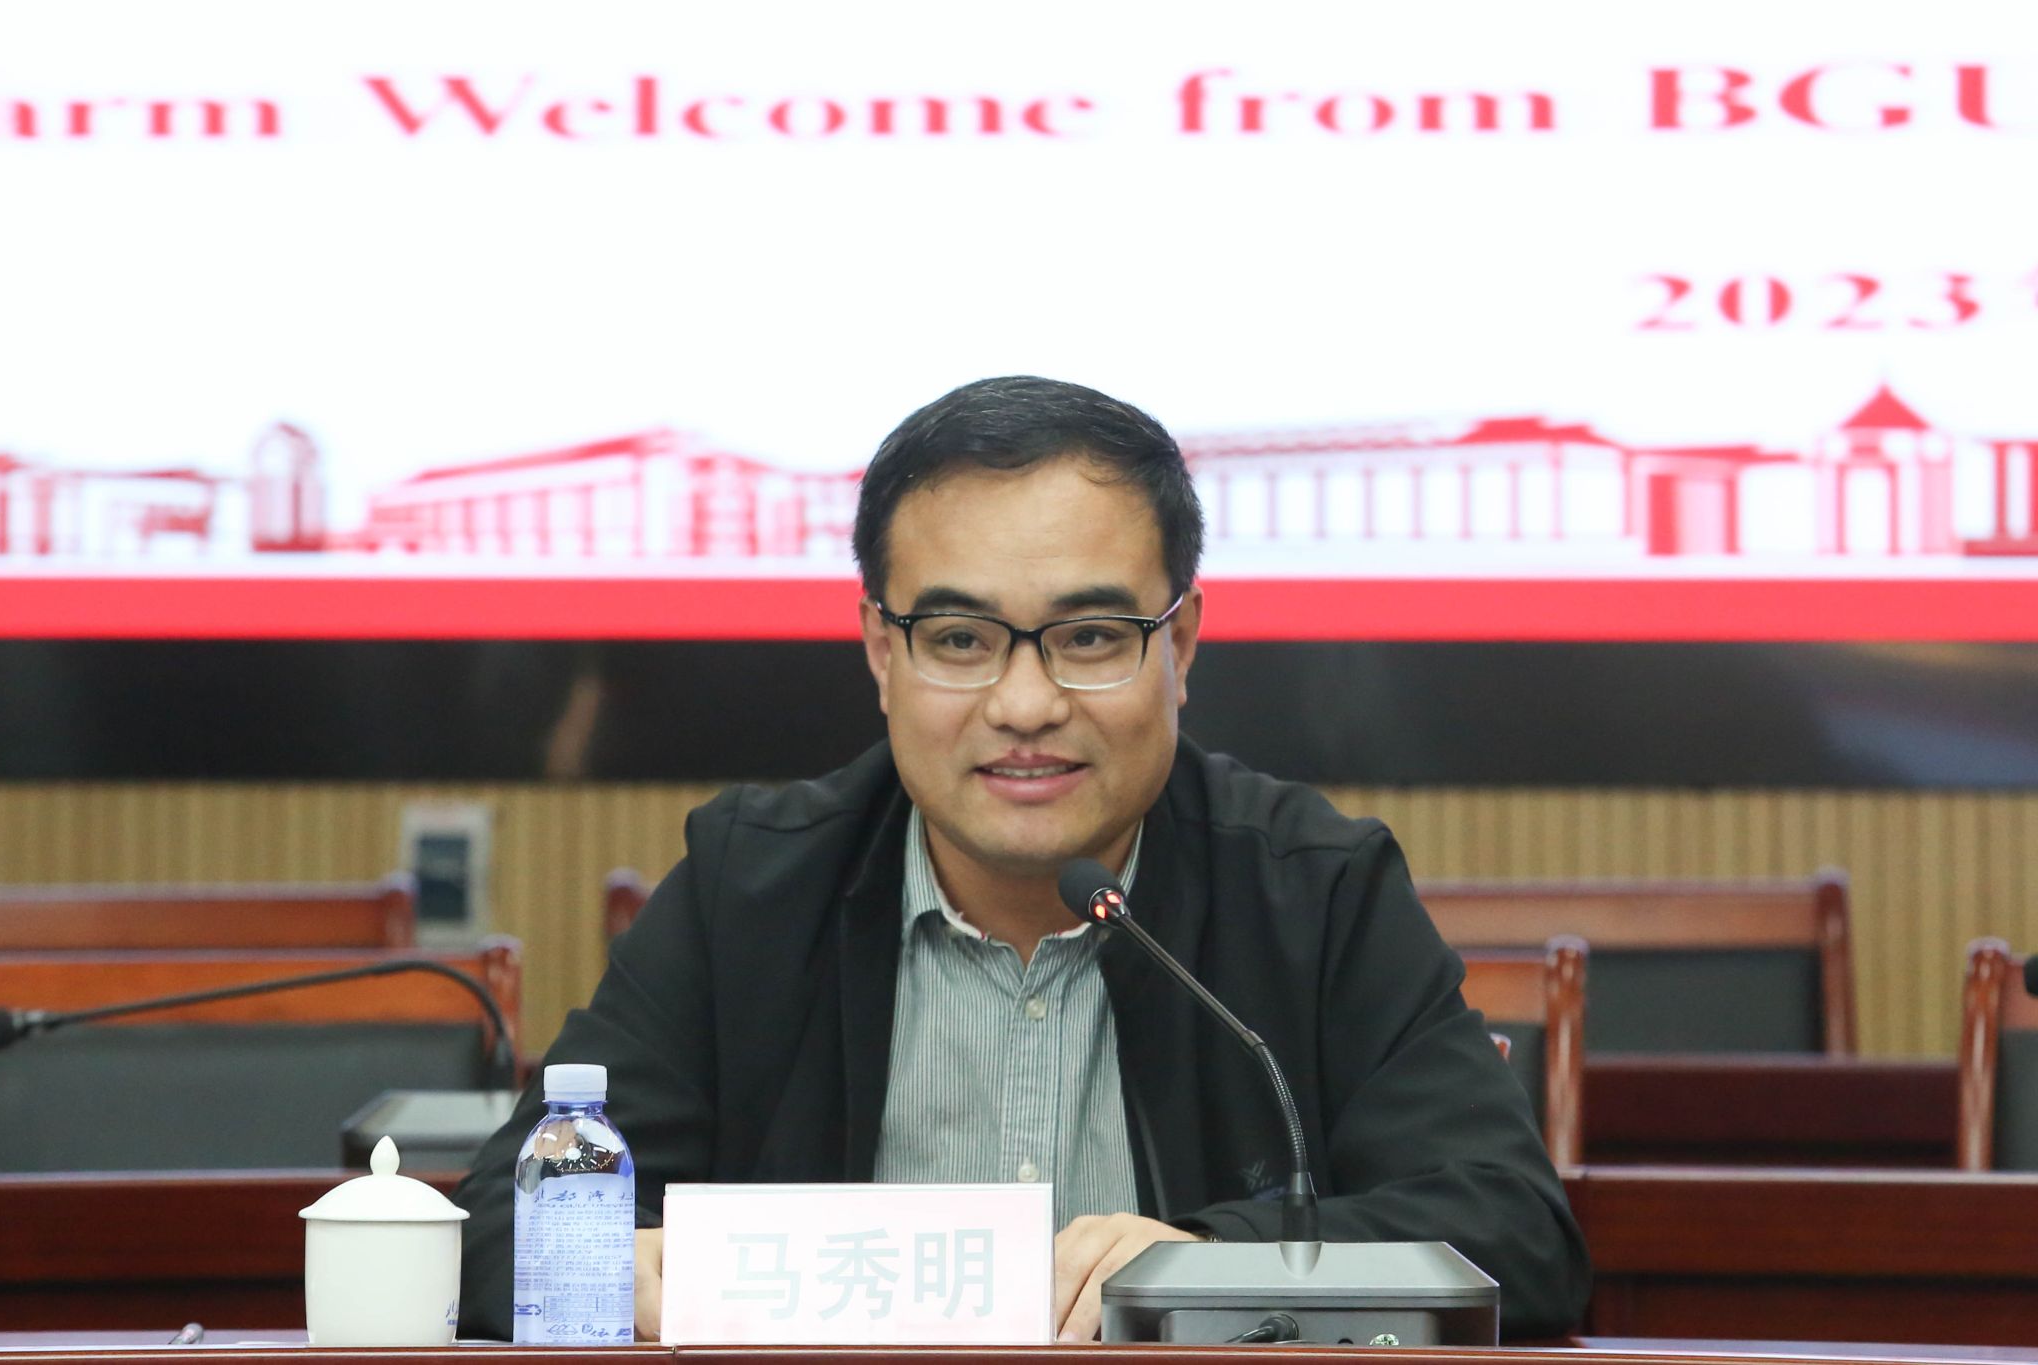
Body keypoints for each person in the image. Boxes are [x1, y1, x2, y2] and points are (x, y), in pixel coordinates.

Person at [451, 375, 1591, 1341]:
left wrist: (1203, 1267)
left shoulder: (1312, 889)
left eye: (1090, 637)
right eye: (959, 640)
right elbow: (502, 1228)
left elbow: (1514, 1238)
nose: (1026, 703)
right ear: (880, 652)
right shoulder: (751, 887)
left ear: (1183, 645)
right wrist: (621, 1272)